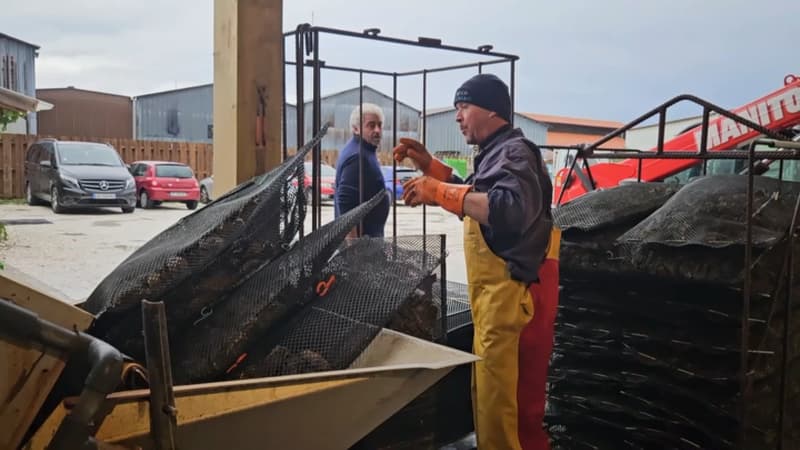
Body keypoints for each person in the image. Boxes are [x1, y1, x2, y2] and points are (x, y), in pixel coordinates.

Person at [395, 73, 560, 450]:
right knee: (493, 400)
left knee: (509, 408)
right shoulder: (499, 152)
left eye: (463, 107)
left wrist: (437, 191)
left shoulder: (515, 152)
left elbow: (506, 209)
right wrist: (430, 167)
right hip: (498, 303)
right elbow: (477, 192)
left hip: (515, 299)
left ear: (491, 111)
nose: (457, 116)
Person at [334, 102, 390, 237]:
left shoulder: (363, 151)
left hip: (368, 244)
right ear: (356, 129)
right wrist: (354, 251)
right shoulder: (357, 157)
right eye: (371, 125)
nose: (377, 130)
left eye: (380, 125)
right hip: (362, 249)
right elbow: (346, 208)